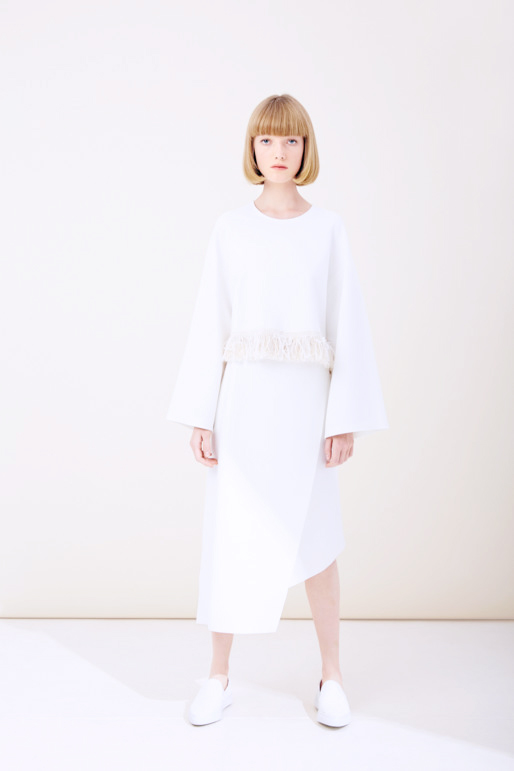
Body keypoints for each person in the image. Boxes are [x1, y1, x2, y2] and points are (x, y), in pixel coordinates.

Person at [166, 94, 389, 727]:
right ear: (253, 150)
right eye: (267, 141)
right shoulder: (231, 228)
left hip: (306, 409)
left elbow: (346, 321)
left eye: (291, 140)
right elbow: (211, 320)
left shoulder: (328, 229)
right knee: (231, 535)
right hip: (244, 407)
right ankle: (218, 676)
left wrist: (343, 417)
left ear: (306, 149)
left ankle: (331, 676)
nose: (280, 152)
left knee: (318, 540)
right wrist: (201, 413)